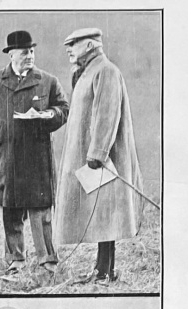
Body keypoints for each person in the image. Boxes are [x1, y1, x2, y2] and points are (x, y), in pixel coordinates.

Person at [0, 29, 69, 275]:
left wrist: (48, 114)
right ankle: (15, 260)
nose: (30, 55)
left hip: (37, 158)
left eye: (32, 51)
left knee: (41, 211)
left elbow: (63, 110)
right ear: (11, 54)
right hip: (7, 158)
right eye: (25, 52)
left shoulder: (48, 81)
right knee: (11, 211)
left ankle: (47, 261)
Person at [53, 28, 144, 285]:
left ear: (91, 45)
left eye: (74, 44)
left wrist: (98, 153)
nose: (69, 49)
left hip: (104, 158)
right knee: (102, 214)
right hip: (91, 156)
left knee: (107, 214)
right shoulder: (86, 72)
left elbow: (107, 114)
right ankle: (101, 269)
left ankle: (106, 271)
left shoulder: (106, 70)